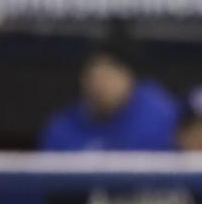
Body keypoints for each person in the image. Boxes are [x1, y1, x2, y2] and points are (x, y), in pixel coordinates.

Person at [38, 41, 179, 151]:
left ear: (130, 78)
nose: (100, 85)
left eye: (109, 76)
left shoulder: (161, 115)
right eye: (94, 77)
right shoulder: (63, 127)